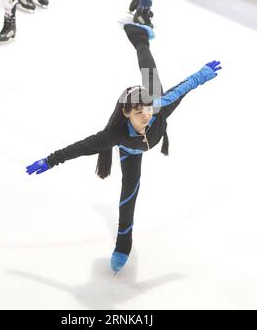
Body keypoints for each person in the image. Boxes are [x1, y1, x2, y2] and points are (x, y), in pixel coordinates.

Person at [26, 20, 222, 274]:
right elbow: (79, 148)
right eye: (139, 112)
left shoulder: (159, 108)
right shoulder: (115, 135)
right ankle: (123, 244)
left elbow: (184, 87)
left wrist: (203, 74)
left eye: (147, 110)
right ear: (126, 113)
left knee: (148, 67)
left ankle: (138, 35)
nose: (146, 116)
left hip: (153, 94)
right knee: (128, 196)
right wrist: (50, 160)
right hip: (133, 153)